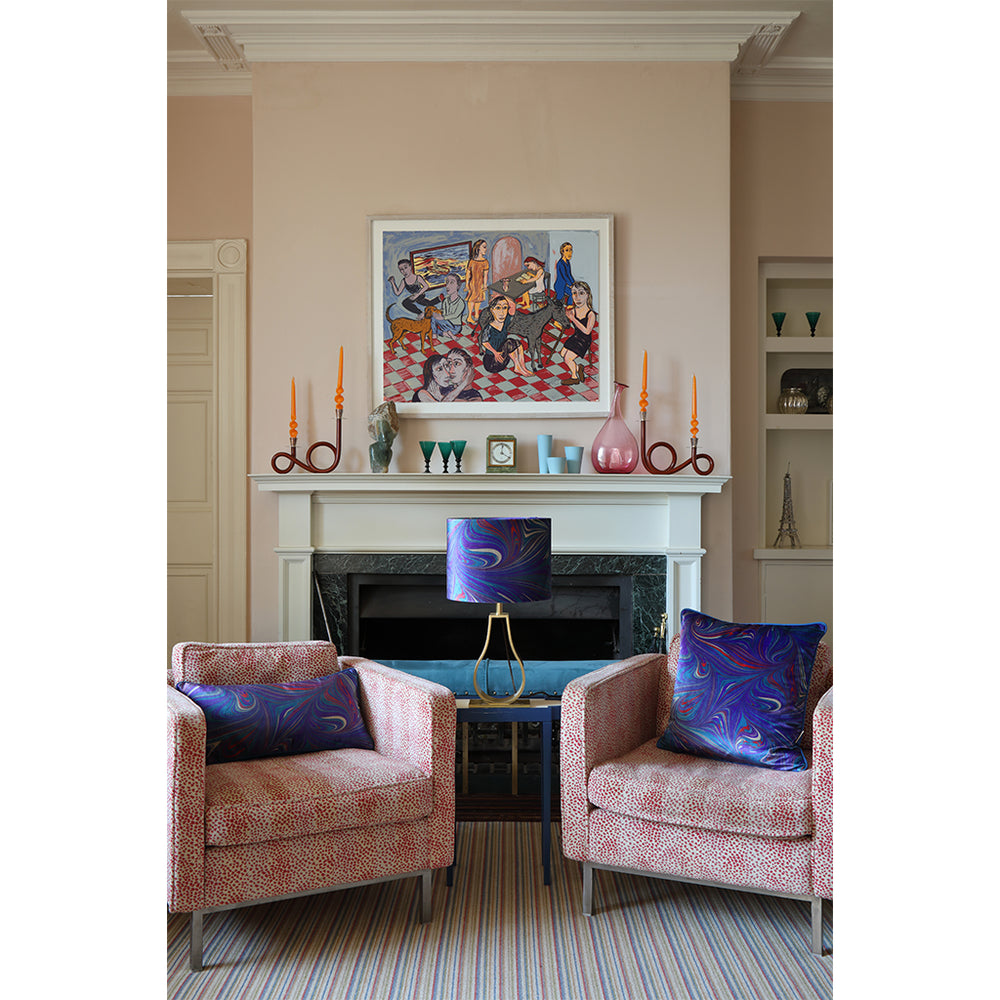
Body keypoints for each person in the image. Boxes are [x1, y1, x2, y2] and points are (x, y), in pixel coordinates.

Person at [479, 294, 533, 376]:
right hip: (492, 362)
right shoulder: (489, 327)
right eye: (498, 308)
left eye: (504, 308)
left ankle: (521, 367)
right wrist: (495, 353)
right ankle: (518, 367)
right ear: (492, 310)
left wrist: (502, 295)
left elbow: (513, 306)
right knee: (509, 342)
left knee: (517, 343)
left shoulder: (506, 321)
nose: (502, 312)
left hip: (503, 358)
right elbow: (484, 342)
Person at [556, 280, 597, 384]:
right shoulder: (574, 310)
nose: (577, 297)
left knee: (567, 358)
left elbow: (587, 331)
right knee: (562, 353)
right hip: (576, 336)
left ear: (587, 295)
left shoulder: (590, 314)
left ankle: (574, 377)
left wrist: (573, 319)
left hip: (584, 339)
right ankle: (578, 367)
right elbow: (565, 319)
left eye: (581, 293)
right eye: (574, 293)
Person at [429, 272, 467, 340]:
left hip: (455, 327)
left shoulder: (461, 302)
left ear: (458, 286)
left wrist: (442, 317)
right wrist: (437, 313)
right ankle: (436, 334)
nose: (447, 286)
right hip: (445, 324)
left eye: (451, 283)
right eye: (447, 282)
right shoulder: (446, 300)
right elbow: (443, 310)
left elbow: (455, 315)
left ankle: (448, 334)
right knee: (433, 317)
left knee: (441, 320)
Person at [464, 239, 489, 327]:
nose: (486, 249)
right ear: (478, 248)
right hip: (473, 283)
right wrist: (467, 284)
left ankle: (477, 315)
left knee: (479, 299)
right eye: (484, 247)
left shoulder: (485, 262)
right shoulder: (472, 261)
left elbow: (485, 275)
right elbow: (468, 273)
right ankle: (469, 316)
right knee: (471, 299)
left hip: (480, 284)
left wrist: (485, 285)